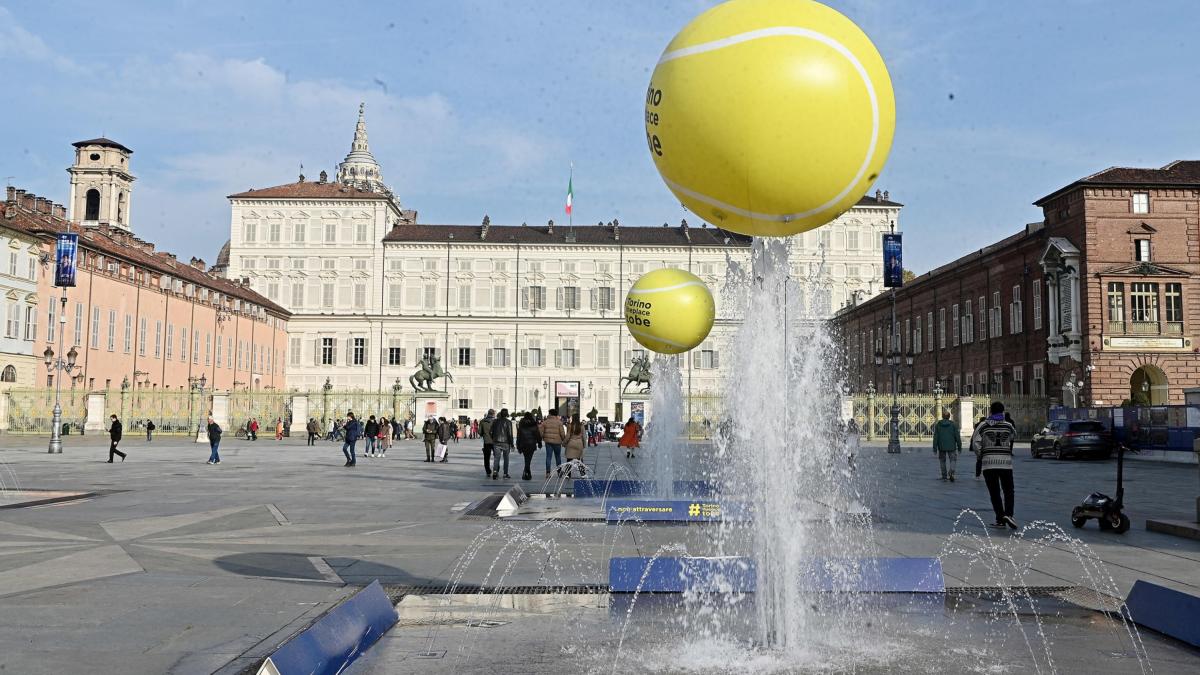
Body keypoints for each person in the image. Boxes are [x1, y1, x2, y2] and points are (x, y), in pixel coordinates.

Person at [971, 401, 1018, 530]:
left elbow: (975, 442)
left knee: (994, 492)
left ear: (990, 411)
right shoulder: (1008, 425)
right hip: (1006, 464)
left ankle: (1000, 518)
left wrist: (981, 454)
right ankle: (1009, 514)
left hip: (988, 464)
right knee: (1009, 490)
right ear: (1002, 412)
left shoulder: (983, 425)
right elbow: (1014, 435)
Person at [932, 410, 961, 481]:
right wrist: (959, 446)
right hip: (952, 446)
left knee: (942, 461)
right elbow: (957, 436)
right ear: (949, 417)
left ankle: (944, 476)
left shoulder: (938, 424)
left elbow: (936, 437)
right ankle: (951, 472)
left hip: (941, 446)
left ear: (942, 416)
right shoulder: (953, 424)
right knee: (953, 460)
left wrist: (935, 448)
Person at [539, 408, 567, 479]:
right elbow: (562, 433)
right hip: (557, 442)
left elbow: (541, 432)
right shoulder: (559, 422)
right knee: (558, 457)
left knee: (548, 457)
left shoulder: (545, 422)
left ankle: (548, 472)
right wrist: (564, 440)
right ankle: (559, 472)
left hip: (548, 442)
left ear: (550, 414)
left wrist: (542, 438)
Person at [516, 411, 542, 481]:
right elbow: (537, 435)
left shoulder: (521, 425)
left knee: (526, 459)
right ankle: (527, 474)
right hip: (531, 444)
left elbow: (518, 436)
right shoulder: (534, 424)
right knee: (528, 460)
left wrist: (518, 445)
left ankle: (527, 474)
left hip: (523, 444)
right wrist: (539, 443)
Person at [490, 408, 514, 480]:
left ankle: (495, 472)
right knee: (506, 459)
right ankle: (505, 473)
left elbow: (490, 432)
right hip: (506, 443)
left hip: (496, 442)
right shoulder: (508, 422)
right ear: (507, 414)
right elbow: (510, 434)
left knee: (496, 458)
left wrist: (493, 438)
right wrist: (512, 444)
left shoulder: (495, 421)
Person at [479, 409, 496, 477]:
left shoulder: (482, 421)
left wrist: (484, 434)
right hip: (495, 441)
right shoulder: (495, 421)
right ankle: (496, 470)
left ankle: (488, 471)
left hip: (486, 441)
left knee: (486, 457)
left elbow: (480, 432)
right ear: (493, 414)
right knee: (496, 457)